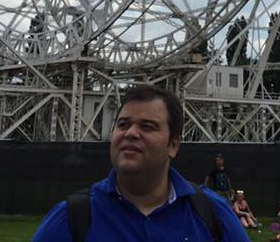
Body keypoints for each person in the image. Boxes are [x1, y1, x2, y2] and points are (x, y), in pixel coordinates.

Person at [32, 84, 247, 242]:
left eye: (147, 126)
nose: (131, 133)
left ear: (173, 144)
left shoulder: (212, 214)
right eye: (123, 124)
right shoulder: (73, 218)